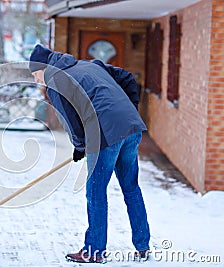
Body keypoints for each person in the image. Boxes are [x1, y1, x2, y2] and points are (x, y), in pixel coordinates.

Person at [29, 44, 150, 263]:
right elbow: (127, 77)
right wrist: (128, 111)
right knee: (131, 188)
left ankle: (94, 250)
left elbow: (71, 121)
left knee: (95, 191)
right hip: (131, 127)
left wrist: (79, 146)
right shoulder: (90, 65)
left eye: (36, 74)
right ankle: (143, 245)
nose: (37, 81)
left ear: (44, 68)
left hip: (105, 133)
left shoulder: (56, 83)